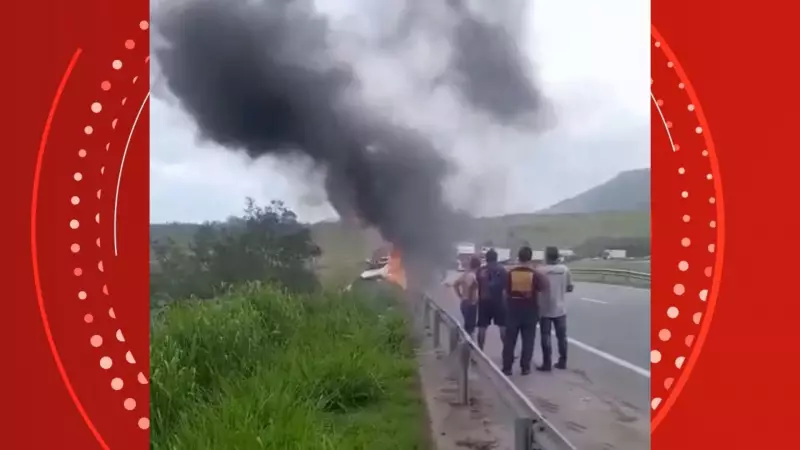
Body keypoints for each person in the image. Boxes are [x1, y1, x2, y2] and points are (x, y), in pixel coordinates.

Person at [502, 246, 549, 376]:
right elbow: (545, 287)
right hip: (530, 311)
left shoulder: (510, 273)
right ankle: (525, 367)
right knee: (528, 341)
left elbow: (504, 294)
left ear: (519, 257)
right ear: (530, 258)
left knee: (509, 341)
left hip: (513, 311)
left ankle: (507, 368)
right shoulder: (535, 274)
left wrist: (507, 307)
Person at [536, 246, 574, 371]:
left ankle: (547, 363)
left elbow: (536, 288)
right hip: (560, 308)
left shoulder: (540, 271)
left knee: (545, 336)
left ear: (546, 256)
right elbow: (570, 288)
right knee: (562, 337)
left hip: (545, 309)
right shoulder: (564, 269)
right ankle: (563, 361)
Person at [475, 249, 508, 350]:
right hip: (499, 301)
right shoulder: (502, 270)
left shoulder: (480, 271)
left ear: (486, 258)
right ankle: (507, 350)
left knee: (482, 327)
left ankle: (480, 350)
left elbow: (477, 284)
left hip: (484, 301)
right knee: (503, 326)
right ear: (496, 258)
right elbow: (506, 288)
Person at [453, 256, 481, 338]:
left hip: (464, 302)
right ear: (478, 266)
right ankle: (467, 346)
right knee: (470, 328)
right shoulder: (472, 276)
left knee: (467, 326)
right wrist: (472, 300)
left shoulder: (465, 275)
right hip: (470, 304)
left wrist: (460, 295)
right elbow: (470, 287)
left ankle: (465, 345)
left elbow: (455, 284)